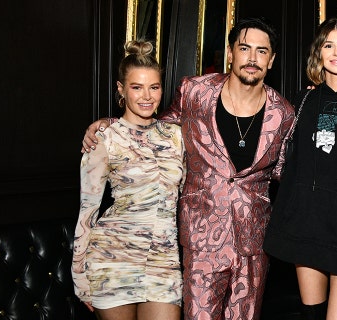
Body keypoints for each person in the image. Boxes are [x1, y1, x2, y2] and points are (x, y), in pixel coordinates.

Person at [82, 17, 295, 320]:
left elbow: (286, 173)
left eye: (262, 51)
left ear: (271, 60)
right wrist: (112, 124)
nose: (252, 58)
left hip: (253, 243)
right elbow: (157, 131)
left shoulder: (284, 112)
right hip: (201, 236)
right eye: (245, 48)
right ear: (230, 52)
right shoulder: (194, 92)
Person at [263, 18, 337, 320]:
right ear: (318, 53)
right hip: (309, 220)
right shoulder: (305, 99)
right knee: (311, 315)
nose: (336, 52)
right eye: (328, 45)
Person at [72, 40, 185, 320]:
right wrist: (79, 276)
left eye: (154, 87)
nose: (147, 96)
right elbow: (87, 210)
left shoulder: (176, 136)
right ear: (121, 89)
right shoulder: (104, 138)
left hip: (164, 260)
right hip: (112, 259)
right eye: (137, 87)